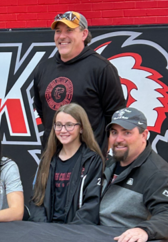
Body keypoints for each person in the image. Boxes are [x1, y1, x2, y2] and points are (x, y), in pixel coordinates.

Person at [32, 11, 126, 152]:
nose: (62, 36)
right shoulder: (43, 68)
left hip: (89, 162)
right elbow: (43, 112)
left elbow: (116, 117)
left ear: (83, 34)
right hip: (52, 160)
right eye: (58, 31)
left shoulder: (101, 68)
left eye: (69, 30)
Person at [100, 107, 168, 242]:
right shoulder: (108, 163)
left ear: (144, 135)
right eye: (114, 132)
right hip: (93, 237)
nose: (118, 139)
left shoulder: (159, 173)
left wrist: (144, 230)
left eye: (127, 133)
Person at [27, 103, 104, 224]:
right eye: (58, 125)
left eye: (69, 125)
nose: (63, 130)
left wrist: (70, 232)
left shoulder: (92, 160)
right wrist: (43, 228)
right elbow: (36, 200)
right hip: (45, 232)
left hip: (75, 233)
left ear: (82, 128)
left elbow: (91, 206)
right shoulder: (47, 159)